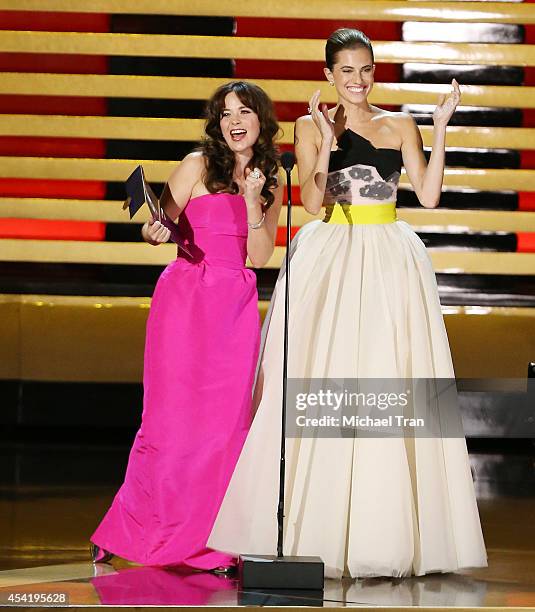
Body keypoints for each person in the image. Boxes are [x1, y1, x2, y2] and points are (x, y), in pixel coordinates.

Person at [208, 29, 488, 579]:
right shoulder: (311, 127)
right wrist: (330, 139)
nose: (358, 81)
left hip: (389, 256)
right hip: (333, 251)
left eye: (365, 70)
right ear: (329, 76)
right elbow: (312, 204)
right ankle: (314, 532)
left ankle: (386, 531)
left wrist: (438, 128)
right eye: (347, 72)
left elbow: (428, 196)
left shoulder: (400, 123)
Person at [90, 81, 283, 572]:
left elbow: (259, 258)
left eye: (243, 111)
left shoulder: (272, 177)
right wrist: (152, 230)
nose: (234, 121)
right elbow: (159, 223)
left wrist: (257, 199)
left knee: (225, 426)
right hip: (184, 302)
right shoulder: (198, 164)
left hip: (234, 307)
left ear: (261, 119)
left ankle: (213, 541)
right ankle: (134, 532)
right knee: (169, 422)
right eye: (224, 114)